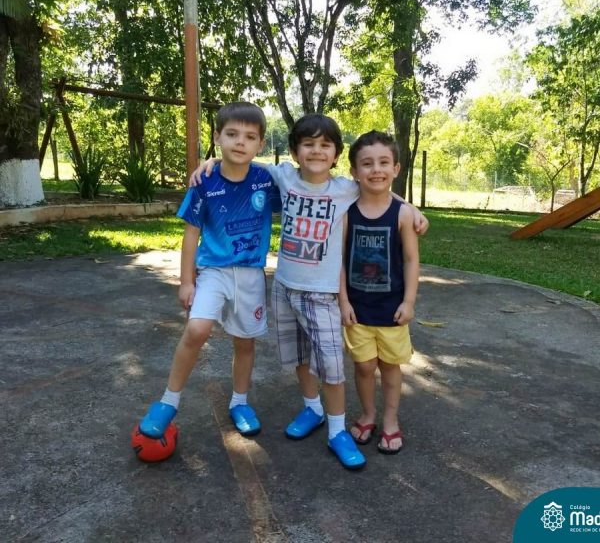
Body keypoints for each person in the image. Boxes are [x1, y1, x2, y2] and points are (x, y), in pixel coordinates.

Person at [191, 113, 428, 470]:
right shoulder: (283, 176)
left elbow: (378, 187)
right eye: (308, 144)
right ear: (294, 151)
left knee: (331, 366)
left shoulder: (345, 189)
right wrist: (209, 163)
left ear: (336, 155)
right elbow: (241, 161)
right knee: (300, 357)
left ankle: (337, 430)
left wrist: (411, 208)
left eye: (325, 145)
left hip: (323, 294)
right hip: (285, 287)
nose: (316, 151)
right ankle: (312, 408)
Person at [138, 101, 280, 440]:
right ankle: (168, 402)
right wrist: (186, 281)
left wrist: (215, 159)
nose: (240, 142)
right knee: (196, 330)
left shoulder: (265, 180)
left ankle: (240, 402)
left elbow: (302, 182)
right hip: (213, 271)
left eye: (250, 137)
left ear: (261, 144)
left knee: (244, 343)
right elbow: (191, 234)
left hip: (251, 274)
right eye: (232, 134)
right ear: (217, 137)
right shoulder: (204, 182)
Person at [339, 131, 419, 455]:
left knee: (389, 366)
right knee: (363, 366)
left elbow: (411, 259)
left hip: (392, 310)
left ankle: (390, 419)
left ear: (396, 169)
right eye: (367, 163)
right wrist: (343, 300)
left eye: (384, 162)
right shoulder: (346, 211)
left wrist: (409, 301)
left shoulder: (403, 213)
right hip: (357, 309)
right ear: (354, 171)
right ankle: (368, 414)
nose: (376, 170)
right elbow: (338, 260)